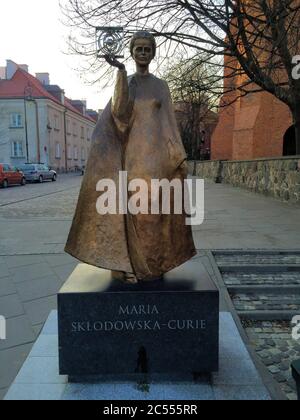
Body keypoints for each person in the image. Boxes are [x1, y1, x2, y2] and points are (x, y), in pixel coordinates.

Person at [65, 31, 196, 283]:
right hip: (134, 155)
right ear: (133, 51)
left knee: (157, 211)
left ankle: (155, 262)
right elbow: (119, 114)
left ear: (153, 52)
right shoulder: (129, 83)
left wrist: (178, 155)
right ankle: (130, 264)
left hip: (158, 156)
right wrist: (121, 71)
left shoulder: (161, 85)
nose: (144, 53)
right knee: (136, 210)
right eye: (139, 49)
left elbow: (170, 121)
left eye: (148, 49)